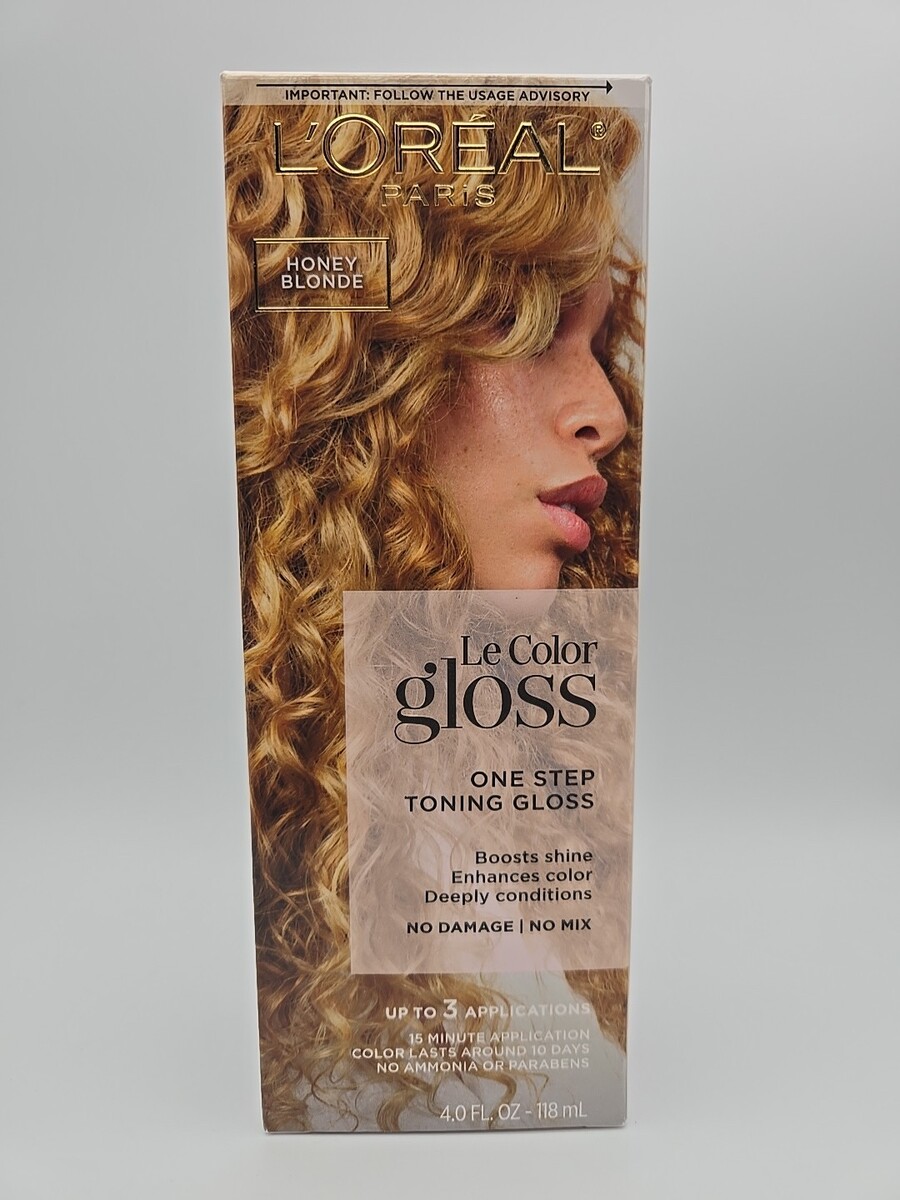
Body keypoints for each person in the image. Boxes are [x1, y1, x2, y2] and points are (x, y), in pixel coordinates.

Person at [224, 98, 644, 1130]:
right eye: (520, 325)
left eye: (596, 339)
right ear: (352, 364)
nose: (606, 413)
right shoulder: (223, 809)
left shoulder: (554, 782)